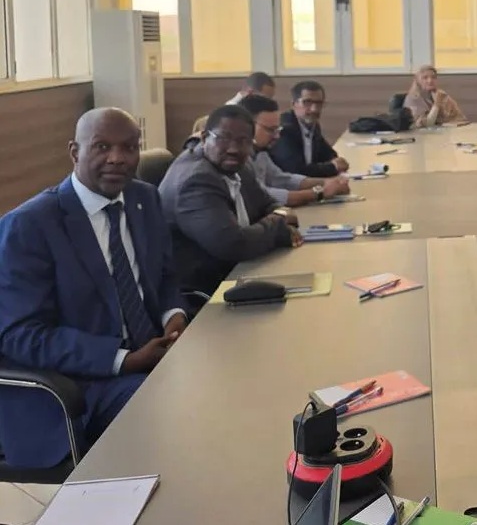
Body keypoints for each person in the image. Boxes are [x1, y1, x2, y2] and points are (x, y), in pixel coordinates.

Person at [0, 108, 188, 469]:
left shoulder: (145, 199)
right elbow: (20, 335)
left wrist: (173, 316)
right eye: (102, 146)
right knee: (172, 408)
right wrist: (123, 360)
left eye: (129, 147)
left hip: (155, 356)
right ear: (75, 152)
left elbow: (165, 277)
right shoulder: (29, 225)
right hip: (77, 385)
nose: (117, 158)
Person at [160, 104, 302, 296]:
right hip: (204, 293)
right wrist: (278, 225)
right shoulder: (196, 180)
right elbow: (233, 245)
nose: (234, 149)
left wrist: (276, 218)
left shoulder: (237, 166)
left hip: (243, 273)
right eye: (223, 138)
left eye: (243, 141)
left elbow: (269, 204)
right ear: (204, 138)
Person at [239, 95, 350, 207]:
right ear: (247, 127)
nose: (277, 136)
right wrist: (319, 192)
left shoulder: (260, 152)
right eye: (270, 130)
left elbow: (282, 179)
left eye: (277, 129)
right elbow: (262, 196)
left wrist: (328, 182)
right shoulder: (237, 159)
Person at [268, 80, 350, 178]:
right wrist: (333, 167)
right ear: (294, 104)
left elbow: (328, 154)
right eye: (307, 102)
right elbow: (296, 171)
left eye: (319, 103)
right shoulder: (285, 129)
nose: (314, 109)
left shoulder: (312, 124)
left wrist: (336, 162)